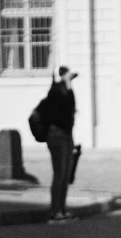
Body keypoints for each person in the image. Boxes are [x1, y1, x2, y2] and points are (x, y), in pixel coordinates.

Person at [44, 65, 78, 222]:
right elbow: (66, 105)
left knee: (65, 174)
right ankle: (54, 211)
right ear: (62, 75)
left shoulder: (65, 89)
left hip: (66, 135)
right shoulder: (55, 90)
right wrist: (68, 84)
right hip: (56, 136)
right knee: (59, 174)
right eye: (67, 75)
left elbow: (71, 106)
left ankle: (62, 209)